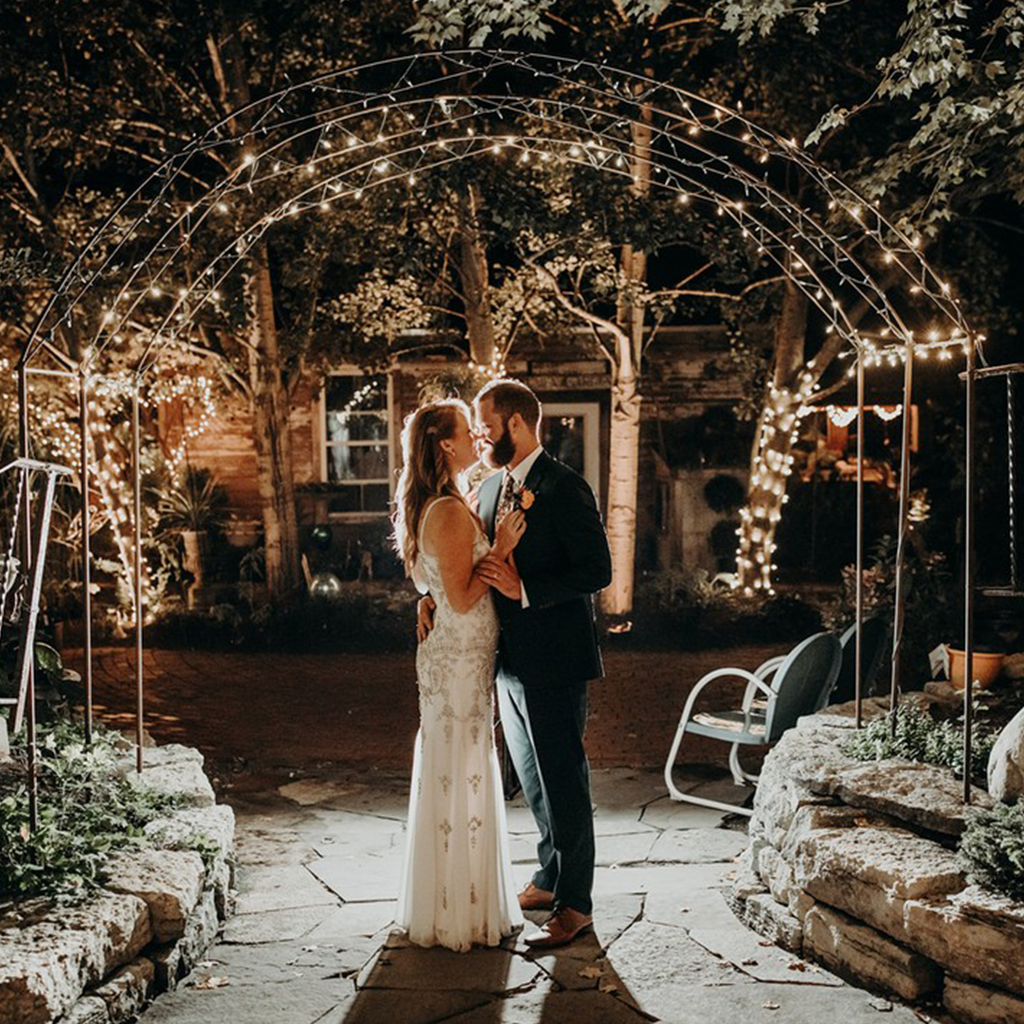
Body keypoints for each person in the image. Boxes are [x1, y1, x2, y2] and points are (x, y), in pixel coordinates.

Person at [419, 379, 613, 949]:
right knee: (530, 779)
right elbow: (463, 565)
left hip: (556, 658)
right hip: (506, 662)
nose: (479, 435)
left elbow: (596, 570)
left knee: (564, 779)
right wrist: (429, 597)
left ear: (518, 424)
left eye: (487, 425)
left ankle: (576, 904)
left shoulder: (564, 487)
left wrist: (527, 588)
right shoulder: (485, 491)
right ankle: (549, 877)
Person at [391, 399, 527, 952]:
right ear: (446, 444)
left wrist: (427, 601)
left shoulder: (453, 501)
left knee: (465, 766)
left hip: (465, 658)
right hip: (458, 663)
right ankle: (456, 911)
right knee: (460, 768)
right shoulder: (446, 510)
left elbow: (437, 587)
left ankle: (461, 900)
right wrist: (501, 547)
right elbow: (467, 599)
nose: (477, 435)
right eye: (466, 431)